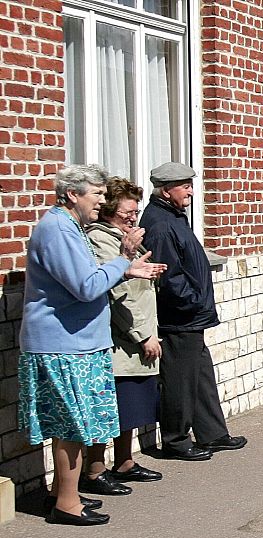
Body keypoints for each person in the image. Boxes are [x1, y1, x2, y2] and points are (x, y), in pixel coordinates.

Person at [19, 164, 166, 525]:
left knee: (72, 424)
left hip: (76, 342)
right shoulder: (57, 229)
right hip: (62, 344)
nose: (103, 201)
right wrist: (123, 258)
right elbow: (85, 286)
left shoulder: (69, 227)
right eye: (97, 194)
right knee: (70, 425)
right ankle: (66, 504)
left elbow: (85, 279)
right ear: (73, 194)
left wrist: (126, 268)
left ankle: (61, 493)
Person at [140, 162, 247, 461]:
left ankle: (212, 434)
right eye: (184, 185)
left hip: (190, 314)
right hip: (179, 317)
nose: (190, 189)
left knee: (199, 376)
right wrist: (194, 302)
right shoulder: (161, 223)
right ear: (165, 189)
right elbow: (168, 275)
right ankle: (175, 441)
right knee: (179, 380)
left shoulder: (173, 217)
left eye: (190, 183)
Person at [82, 176, 163, 493]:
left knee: (129, 405)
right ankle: (95, 469)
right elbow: (118, 293)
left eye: (135, 210)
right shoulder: (103, 240)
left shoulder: (124, 235)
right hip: (122, 336)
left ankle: (125, 461)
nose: (133, 216)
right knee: (110, 405)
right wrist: (143, 335)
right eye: (128, 211)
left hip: (135, 332)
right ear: (109, 211)